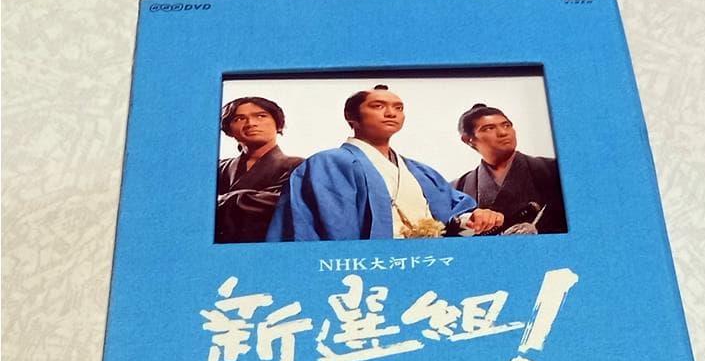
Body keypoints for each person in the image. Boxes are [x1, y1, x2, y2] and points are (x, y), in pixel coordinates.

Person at [267, 86, 504, 241]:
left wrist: (475, 219)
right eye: (378, 106)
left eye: (398, 108)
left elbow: (453, 216)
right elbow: (327, 229)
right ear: (351, 116)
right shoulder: (328, 163)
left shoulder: (421, 171)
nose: (391, 113)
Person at [452, 103, 567, 235]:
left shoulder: (554, 170)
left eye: (507, 125)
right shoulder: (457, 188)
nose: (503, 132)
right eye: (489, 128)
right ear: (468, 139)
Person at [216, 97, 304, 243]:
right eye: (239, 119)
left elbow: (282, 202)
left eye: (261, 116)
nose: (251, 123)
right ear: (229, 129)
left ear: (278, 124)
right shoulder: (219, 168)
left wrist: (224, 199)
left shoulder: (297, 165)